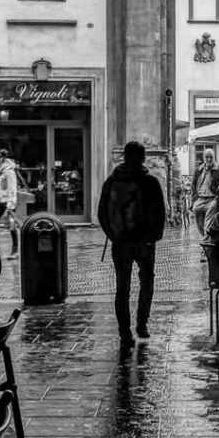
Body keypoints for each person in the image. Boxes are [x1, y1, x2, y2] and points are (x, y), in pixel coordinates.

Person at [97, 140, 166, 349]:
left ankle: (124, 331)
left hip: (120, 243)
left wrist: (113, 234)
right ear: (143, 157)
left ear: (124, 157)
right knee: (146, 282)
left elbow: (101, 213)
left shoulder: (111, 182)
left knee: (122, 287)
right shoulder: (150, 182)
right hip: (144, 243)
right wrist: (153, 237)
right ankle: (142, 324)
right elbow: (159, 213)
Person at [0, 149, 20, 259]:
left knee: (11, 226)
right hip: (0, 202)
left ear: (0, 160)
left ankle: (15, 251)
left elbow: (12, 189)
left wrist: (10, 206)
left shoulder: (9, 172)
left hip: (8, 203)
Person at [191, 148, 219, 239]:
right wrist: (194, 197)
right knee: (195, 210)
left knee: (209, 219)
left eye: (211, 157)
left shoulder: (218, 169)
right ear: (203, 158)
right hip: (200, 198)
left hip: (212, 198)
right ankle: (204, 237)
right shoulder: (198, 170)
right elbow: (193, 185)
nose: (209, 159)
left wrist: (218, 194)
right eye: (207, 157)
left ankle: (207, 240)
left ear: (214, 157)